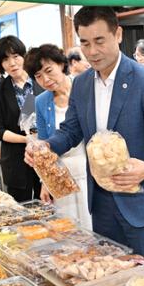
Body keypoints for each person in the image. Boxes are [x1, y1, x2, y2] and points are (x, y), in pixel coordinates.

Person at [26, 7, 144, 259]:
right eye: (84, 43)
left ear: (117, 34)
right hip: (101, 205)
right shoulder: (83, 83)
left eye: (99, 41)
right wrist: (46, 147)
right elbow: (71, 131)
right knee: (109, 280)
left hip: (141, 201)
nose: (92, 51)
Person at [25, 44, 92, 230]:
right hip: (62, 175)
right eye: (38, 76)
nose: (45, 79)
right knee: (69, 228)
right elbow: (45, 142)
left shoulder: (84, 88)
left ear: (62, 64)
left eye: (49, 70)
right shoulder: (40, 102)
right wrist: (46, 183)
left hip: (89, 170)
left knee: (93, 224)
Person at [0, 36, 44, 201]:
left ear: (24, 56)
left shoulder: (42, 82)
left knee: (50, 207)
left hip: (45, 155)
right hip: (16, 161)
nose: (12, 63)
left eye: (16, 56)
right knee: (22, 209)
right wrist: (26, 139)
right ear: (1, 64)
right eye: (5, 59)